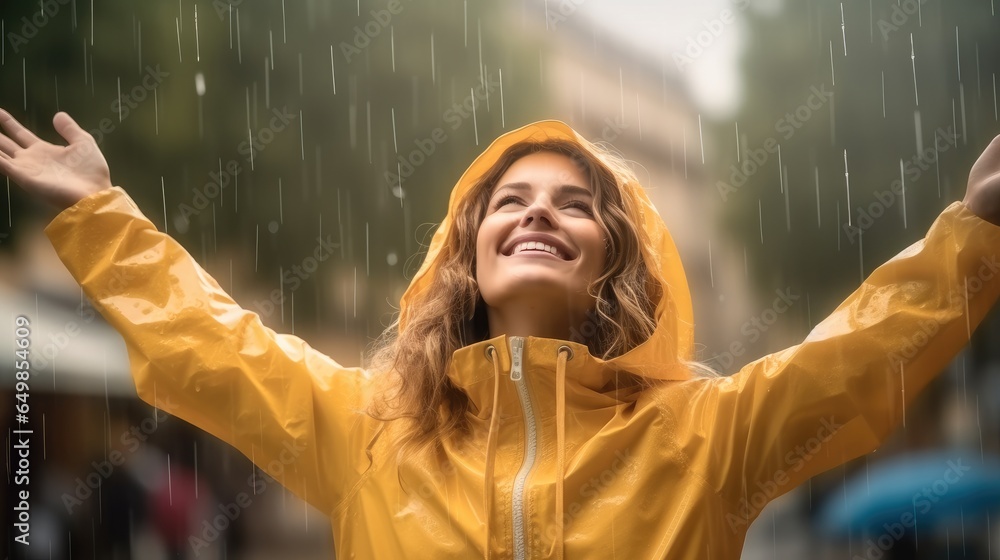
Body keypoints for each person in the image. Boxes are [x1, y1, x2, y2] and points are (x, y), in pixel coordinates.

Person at [2, 107, 1000, 559]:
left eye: (574, 202)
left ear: (612, 251)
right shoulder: (367, 429)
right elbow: (209, 341)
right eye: (508, 199)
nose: (536, 213)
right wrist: (98, 216)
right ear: (467, 245)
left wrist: (973, 237)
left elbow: (859, 356)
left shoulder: (709, 432)